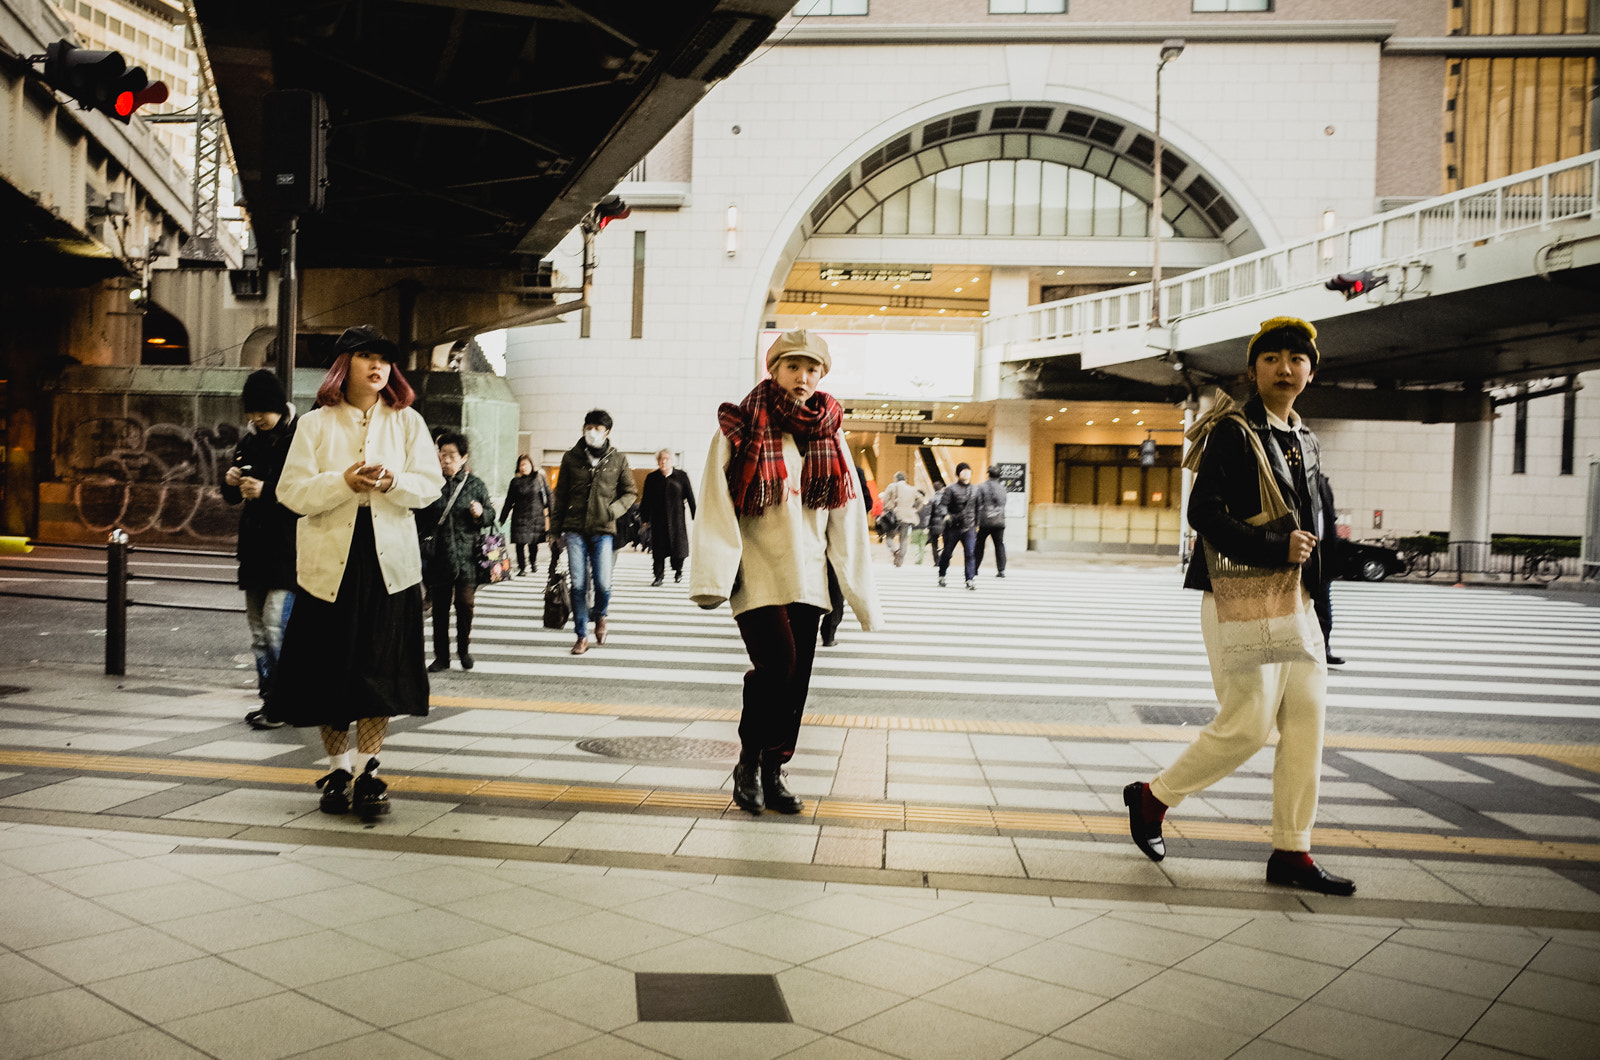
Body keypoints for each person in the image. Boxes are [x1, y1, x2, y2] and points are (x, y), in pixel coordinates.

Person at [1123, 316, 1355, 896]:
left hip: (1297, 599)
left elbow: (1314, 530)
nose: (1285, 368)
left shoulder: (1305, 438)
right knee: (1250, 723)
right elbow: (1203, 513)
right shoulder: (1235, 430)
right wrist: (1274, 545)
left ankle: (1292, 851)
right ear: (1253, 370)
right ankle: (1153, 799)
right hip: (1241, 590)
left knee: (1306, 724)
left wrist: (1323, 614)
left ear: (1310, 370)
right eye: (1272, 358)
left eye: (1295, 359)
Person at [691, 330, 880, 815]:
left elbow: (847, 516)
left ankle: (773, 769)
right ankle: (749, 761)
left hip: (809, 574)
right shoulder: (739, 427)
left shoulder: (830, 434)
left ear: (822, 376)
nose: (803, 377)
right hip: (756, 570)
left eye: (812, 369)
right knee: (779, 665)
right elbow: (714, 504)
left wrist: (856, 591)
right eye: (793, 366)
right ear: (773, 370)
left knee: (796, 681)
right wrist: (713, 576)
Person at [263, 325, 444, 820]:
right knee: (328, 672)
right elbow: (291, 493)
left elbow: (429, 486)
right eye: (365, 356)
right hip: (328, 568)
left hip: (391, 566)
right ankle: (337, 768)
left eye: (383, 357)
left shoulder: (408, 422)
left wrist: (392, 481)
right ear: (345, 366)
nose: (377, 365)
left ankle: (368, 770)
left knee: (377, 672)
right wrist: (343, 481)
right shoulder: (316, 425)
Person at [221, 369, 299, 729]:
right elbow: (231, 497)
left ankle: (286, 700)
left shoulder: (300, 438)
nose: (255, 419)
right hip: (253, 549)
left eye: (261, 412)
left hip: (288, 549)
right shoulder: (248, 441)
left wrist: (266, 491)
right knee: (257, 629)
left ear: (279, 407)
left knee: (274, 625)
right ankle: (269, 697)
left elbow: (308, 494)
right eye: (250, 413)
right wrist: (231, 482)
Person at [552, 409, 636, 655]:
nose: (592, 432)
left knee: (603, 584)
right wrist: (554, 532)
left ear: (607, 432)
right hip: (574, 529)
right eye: (589, 427)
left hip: (603, 529)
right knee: (578, 584)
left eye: (598, 429)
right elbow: (561, 496)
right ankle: (581, 635)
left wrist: (613, 510)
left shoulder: (618, 459)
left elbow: (630, 492)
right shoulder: (571, 458)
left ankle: (600, 616)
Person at [420, 430, 494, 672]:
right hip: (438, 555)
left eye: (452, 455)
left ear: (463, 458)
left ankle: (464, 650)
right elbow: (418, 516)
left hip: (468, 556)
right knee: (439, 608)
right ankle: (441, 657)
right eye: (442, 454)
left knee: (465, 604)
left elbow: (491, 516)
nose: (446, 460)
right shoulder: (430, 483)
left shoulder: (475, 485)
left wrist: (480, 513)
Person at [641, 448, 697, 586]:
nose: (663, 462)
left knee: (679, 550)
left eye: (666, 459)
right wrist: (645, 518)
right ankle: (658, 577)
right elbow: (646, 499)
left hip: (677, 519)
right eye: (661, 459)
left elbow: (690, 497)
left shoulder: (682, 476)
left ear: (672, 461)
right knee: (658, 551)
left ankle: (678, 571)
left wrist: (696, 516)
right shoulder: (652, 478)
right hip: (658, 520)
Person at [499, 455, 551, 578]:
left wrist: (553, 515)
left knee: (533, 543)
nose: (523, 467)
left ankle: (533, 563)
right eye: (521, 465)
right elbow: (509, 501)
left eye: (526, 464)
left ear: (531, 465)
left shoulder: (539, 478)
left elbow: (549, 496)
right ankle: (522, 568)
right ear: (518, 467)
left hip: (535, 516)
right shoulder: (515, 482)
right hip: (519, 516)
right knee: (519, 543)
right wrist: (502, 519)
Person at [1314, 474, 1343, 666]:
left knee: (1323, 603)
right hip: (1299, 549)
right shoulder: (1293, 476)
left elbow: (1330, 516)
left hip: (1322, 552)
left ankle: (1324, 647)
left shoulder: (1322, 482)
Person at [937, 462, 979, 589]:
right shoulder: (951, 489)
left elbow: (978, 508)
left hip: (969, 527)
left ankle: (970, 579)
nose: (966, 472)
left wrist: (976, 524)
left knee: (970, 553)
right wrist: (946, 516)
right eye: (963, 470)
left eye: (968, 470)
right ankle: (942, 575)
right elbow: (943, 505)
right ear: (958, 473)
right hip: (952, 527)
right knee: (947, 553)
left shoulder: (975, 489)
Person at [878, 472, 924, 567]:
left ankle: (895, 552)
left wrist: (886, 509)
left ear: (895, 479)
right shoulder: (912, 489)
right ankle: (900, 560)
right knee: (903, 539)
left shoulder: (891, 486)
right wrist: (914, 509)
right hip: (907, 517)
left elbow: (885, 500)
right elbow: (921, 500)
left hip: (894, 517)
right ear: (905, 479)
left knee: (889, 537)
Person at [972, 464, 1009, 578]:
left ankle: (975, 568)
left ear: (988, 474)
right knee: (999, 545)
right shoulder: (1003, 488)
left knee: (979, 545)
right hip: (999, 521)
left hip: (985, 521)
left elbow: (976, 503)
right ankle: (1001, 570)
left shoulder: (981, 487)